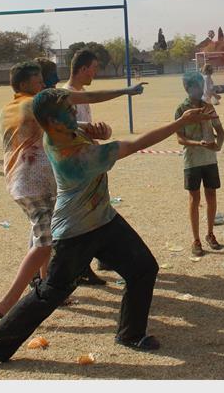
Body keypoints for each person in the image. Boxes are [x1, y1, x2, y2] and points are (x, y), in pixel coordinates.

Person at [0, 88, 215, 379]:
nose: (75, 113)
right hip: (75, 232)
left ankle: (131, 333)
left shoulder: (61, 132)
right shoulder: (75, 156)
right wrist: (180, 122)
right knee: (50, 293)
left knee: (143, 269)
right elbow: (135, 144)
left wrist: (98, 130)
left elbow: (85, 129)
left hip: (104, 219)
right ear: (54, 122)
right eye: (69, 111)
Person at [0, 61, 147, 318]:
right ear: (24, 84)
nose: (44, 84)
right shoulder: (33, 105)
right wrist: (125, 91)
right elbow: (85, 98)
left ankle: (47, 288)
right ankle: (6, 304)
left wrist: (90, 129)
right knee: (44, 243)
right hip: (32, 184)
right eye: (38, 81)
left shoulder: (11, 108)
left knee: (46, 239)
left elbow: (59, 125)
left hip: (27, 183)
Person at [64, 49, 146, 280]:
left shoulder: (80, 93)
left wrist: (98, 133)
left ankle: (102, 257)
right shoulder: (64, 95)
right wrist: (126, 91)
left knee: (98, 209)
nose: (96, 72)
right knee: (82, 215)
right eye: (94, 68)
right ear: (83, 69)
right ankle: (80, 267)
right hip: (77, 166)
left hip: (89, 161)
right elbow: (67, 131)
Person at [176, 71, 224, 257]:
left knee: (211, 195)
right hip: (192, 161)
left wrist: (218, 145)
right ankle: (196, 239)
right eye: (195, 86)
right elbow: (180, 138)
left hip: (209, 160)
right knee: (194, 199)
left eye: (200, 85)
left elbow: (220, 130)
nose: (199, 89)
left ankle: (210, 234)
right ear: (187, 88)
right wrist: (197, 143)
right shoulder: (181, 110)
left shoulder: (208, 107)